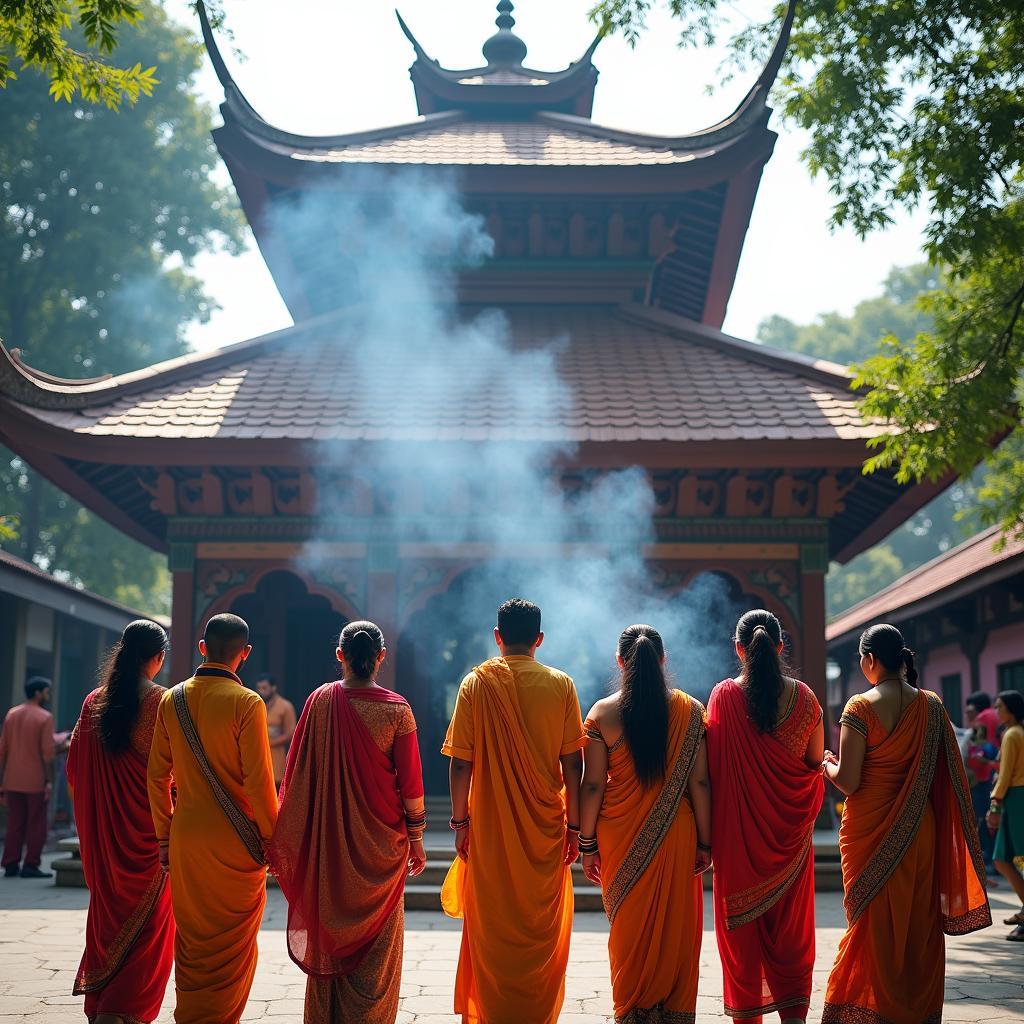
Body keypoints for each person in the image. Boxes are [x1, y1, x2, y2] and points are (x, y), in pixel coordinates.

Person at [822, 624, 991, 1023]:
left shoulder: (859, 707)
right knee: (919, 924)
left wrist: (827, 765)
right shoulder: (932, 705)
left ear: (869, 660)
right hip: (922, 830)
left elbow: (849, 781)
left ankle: (873, 1008)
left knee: (872, 924)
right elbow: (946, 774)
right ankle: (917, 1011)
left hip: (870, 831)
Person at [270, 620, 427, 1024]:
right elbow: (411, 784)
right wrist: (416, 838)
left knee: (329, 932)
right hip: (383, 847)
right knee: (378, 945)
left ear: (340, 656)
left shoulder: (319, 701)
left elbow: (297, 772)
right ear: (381, 657)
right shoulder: (397, 709)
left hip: (330, 846)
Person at [440, 598, 586, 1024]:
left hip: (490, 829)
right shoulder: (561, 684)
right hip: (547, 830)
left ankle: (491, 1013)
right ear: (539, 639)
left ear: (497, 637)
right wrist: (575, 828)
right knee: (540, 929)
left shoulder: (476, 684)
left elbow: (461, 762)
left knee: (493, 927)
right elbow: (572, 765)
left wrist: (460, 821)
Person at [148, 613, 278, 1024]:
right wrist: (272, 839)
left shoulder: (172, 698)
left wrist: (164, 837)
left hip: (186, 835)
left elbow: (157, 776)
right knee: (233, 943)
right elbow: (259, 783)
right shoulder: (247, 702)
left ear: (202, 648)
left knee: (192, 939)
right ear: (245, 653)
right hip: (236, 840)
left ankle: (191, 1015)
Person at [579, 624, 710, 1023]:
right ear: (663, 659)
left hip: (619, 835)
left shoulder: (603, 713)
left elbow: (593, 785)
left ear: (620, 661)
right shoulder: (691, 710)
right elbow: (701, 782)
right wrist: (706, 842)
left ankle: (634, 1010)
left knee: (629, 933)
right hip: (679, 835)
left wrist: (586, 844)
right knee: (675, 932)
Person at [706, 610, 824, 1024]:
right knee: (792, 940)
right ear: (780, 647)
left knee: (743, 946)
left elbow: (712, 773)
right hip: (790, 844)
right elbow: (813, 769)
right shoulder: (806, 699)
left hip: (738, 847)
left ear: (738, 649)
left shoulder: (722, 697)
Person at [67, 620, 175, 1024]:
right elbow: (173, 772)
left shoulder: (94, 700)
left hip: (106, 838)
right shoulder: (163, 701)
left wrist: (95, 820)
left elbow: (75, 769)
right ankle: (126, 1011)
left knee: (108, 919)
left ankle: (103, 1008)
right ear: (158, 658)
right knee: (150, 930)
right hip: (151, 838)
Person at [0, 677, 55, 878]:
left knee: (14, 824)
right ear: (38, 693)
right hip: (35, 781)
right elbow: (47, 754)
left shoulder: (12, 714)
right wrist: (49, 780)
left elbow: (2, 750)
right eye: (47, 692)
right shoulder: (44, 717)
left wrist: (2, 781)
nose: (48, 696)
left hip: (12, 780)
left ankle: (10, 864)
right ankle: (31, 864)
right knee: (36, 825)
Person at [986, 689, 1024, 939]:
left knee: (1011, 857)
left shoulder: (1012, 734)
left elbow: (1007, 773)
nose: (996, 710)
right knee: (1004, 857)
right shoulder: (1016, 732)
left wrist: (995, 805)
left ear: (1010, 709)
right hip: (1014, 796)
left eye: (999, 706)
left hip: (1014, 797)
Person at [965, 692, 1000, 876]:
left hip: (982, 774)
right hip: (996, 767)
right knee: (995, 815)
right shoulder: (996, 714)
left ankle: (987, 859)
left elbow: (978, 745)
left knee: (982, 818)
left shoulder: (981, 718)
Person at [256, 675, 297, 789]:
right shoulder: (255, 704)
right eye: (259, 688)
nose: (261, 691)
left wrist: (268, 743)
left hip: (277, 756)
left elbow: (290, 733)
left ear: (273, 688)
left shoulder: (285, 706)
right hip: (258, 756)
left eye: (264, 688)